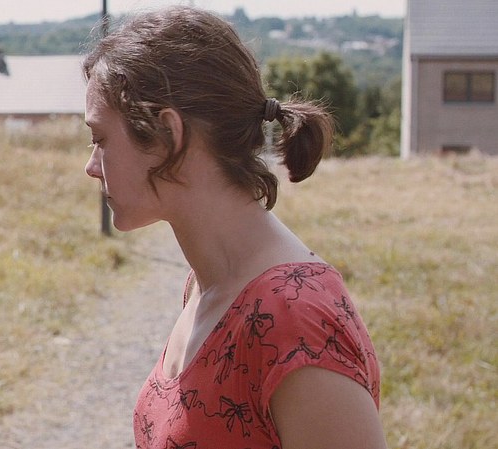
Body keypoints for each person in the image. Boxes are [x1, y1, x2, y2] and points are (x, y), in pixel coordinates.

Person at [82, 6, 387, 449]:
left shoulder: (294, 319)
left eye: (100, 139)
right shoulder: (206, 285)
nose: (91, 166)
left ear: (168, 135)